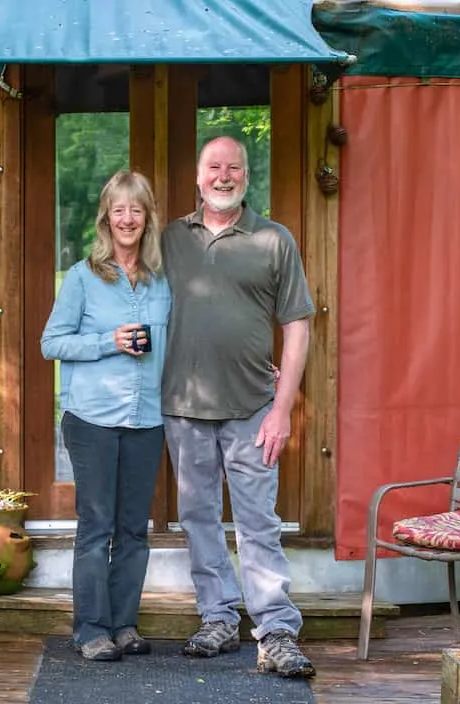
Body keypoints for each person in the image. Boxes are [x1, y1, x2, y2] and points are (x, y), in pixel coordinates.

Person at [161, 136, 316, 678]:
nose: (223, 176)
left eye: (234, 167)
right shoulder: (171, 239)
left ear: (247, 176)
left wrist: (283, 407)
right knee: (198, 518)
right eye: (213, 166)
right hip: (183, 407)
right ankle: (218, 618)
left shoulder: (274, 240)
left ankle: (275, 631)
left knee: (257, 523)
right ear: (197, 176)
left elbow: (297, 326)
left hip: (253, 408)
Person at [40, 170, 171, 662]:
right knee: (97, 526)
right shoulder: (81, 278)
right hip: (92, 419)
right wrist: (107, 342)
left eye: (136, 209)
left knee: (134, 528)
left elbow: (177, 344)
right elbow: (51, 343)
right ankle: (91, 628)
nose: (128, 218)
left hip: (146, 418)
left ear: (147, 218)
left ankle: (124, 624)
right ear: (106, 218)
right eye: (119, 209)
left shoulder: (161, 284)